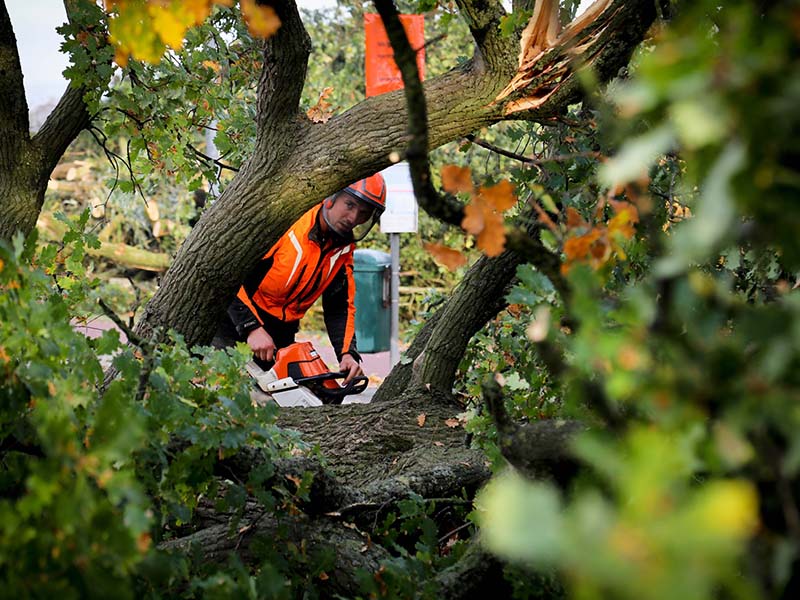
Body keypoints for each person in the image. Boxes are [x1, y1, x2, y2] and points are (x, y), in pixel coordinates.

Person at [213, 174, 386, 384]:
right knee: (225, 389)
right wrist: (251, 327)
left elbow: (340, 307)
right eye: (349, 205)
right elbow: (229, 274)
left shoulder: (342, 250)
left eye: (364, 213)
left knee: (287, 398)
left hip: (281, 333)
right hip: (232, 319)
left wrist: (347, 354)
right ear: (331, 197)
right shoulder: (287, 224)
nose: (353, 217)